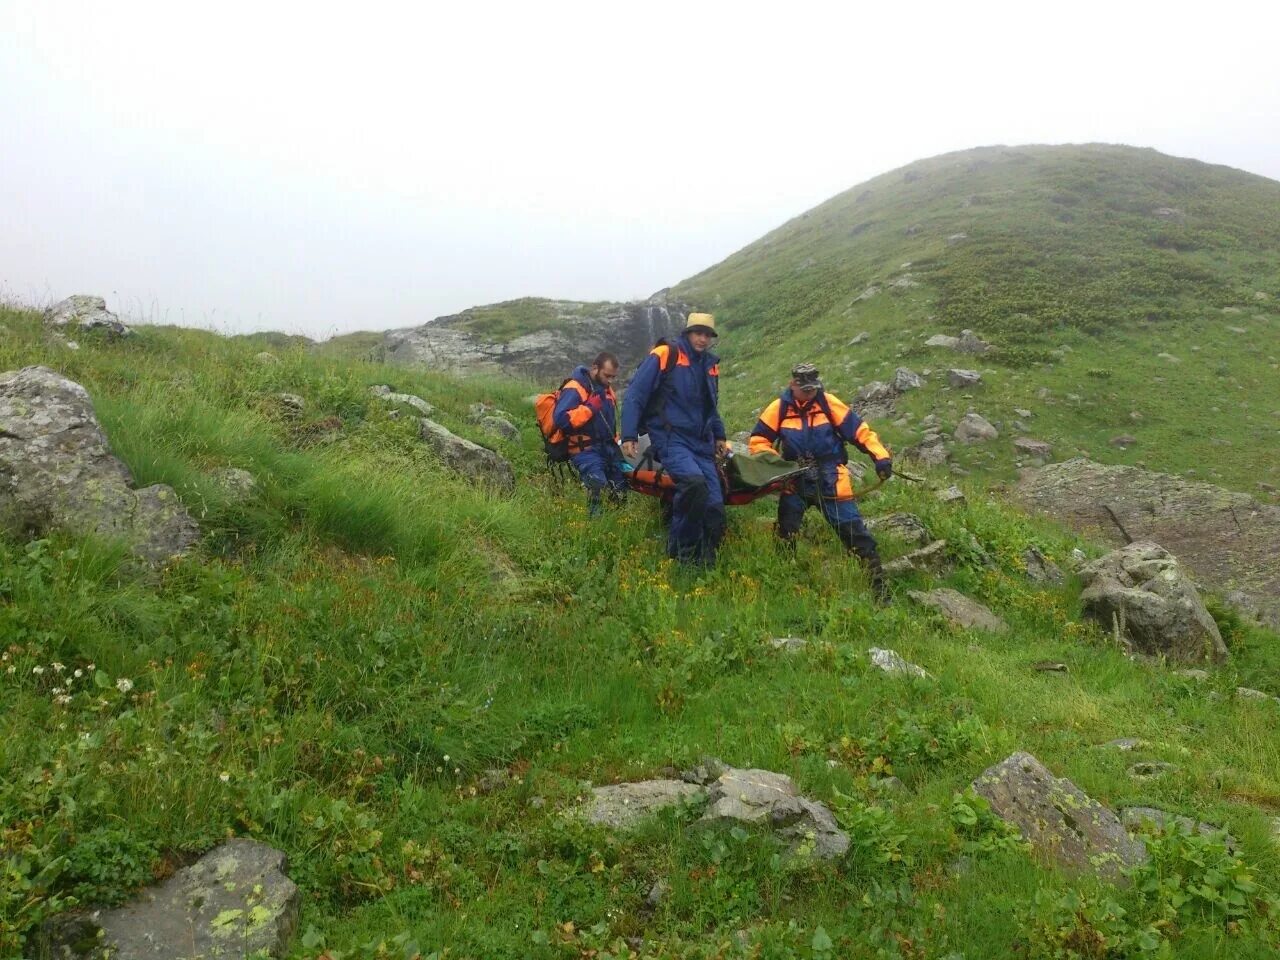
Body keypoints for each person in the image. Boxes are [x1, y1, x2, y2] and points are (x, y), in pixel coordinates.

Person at [749, 362, 892, 602]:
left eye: (813, 389)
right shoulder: (779, 408)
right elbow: (758, 441)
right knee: (786, 529)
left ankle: (879, 588)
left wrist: (881, 457)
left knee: (853, 530)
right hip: (794, 478)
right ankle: (783, 584)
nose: (809, 393)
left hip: (831, 476)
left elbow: (860, 432)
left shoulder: (828, 403)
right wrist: (779, 466)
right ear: (793, 385)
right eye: (805, 389)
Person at [621, 313, 728, 567]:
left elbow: (710, 407)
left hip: (701, 441)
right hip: (671, 437)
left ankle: (706, 561)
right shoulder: (665, 355)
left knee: (714, 503)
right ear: (688, 333)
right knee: (693, 484)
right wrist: (629, 434)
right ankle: (681, 555)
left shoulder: (710, 365)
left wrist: (720, 435)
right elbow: (636, 394)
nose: (703, 339)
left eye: (707, 335)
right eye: (698, 333)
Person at [553, 352, 628, 516]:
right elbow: (561, 420)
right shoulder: (575, 388)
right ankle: (595, 525)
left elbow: (609, 424)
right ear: (595, 368)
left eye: (613, 377)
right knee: (597, 485)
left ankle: (617, 524)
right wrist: (589, 408)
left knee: (620, 489)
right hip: (585, 450)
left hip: (608, 449)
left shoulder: (606, 390)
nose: (610, 381)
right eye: (607, 375)